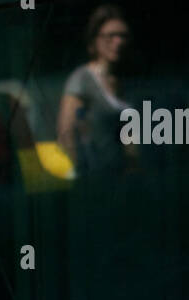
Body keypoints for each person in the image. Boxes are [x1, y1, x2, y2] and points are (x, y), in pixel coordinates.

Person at [57, 4, 136, 178]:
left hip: (125, 182)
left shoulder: (124, 83)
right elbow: (66, 133)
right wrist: (81, 175)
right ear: (95, 40)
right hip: (95, 182)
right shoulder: (81, 80)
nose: (118, 42)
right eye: (110, 36)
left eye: (123, 36)